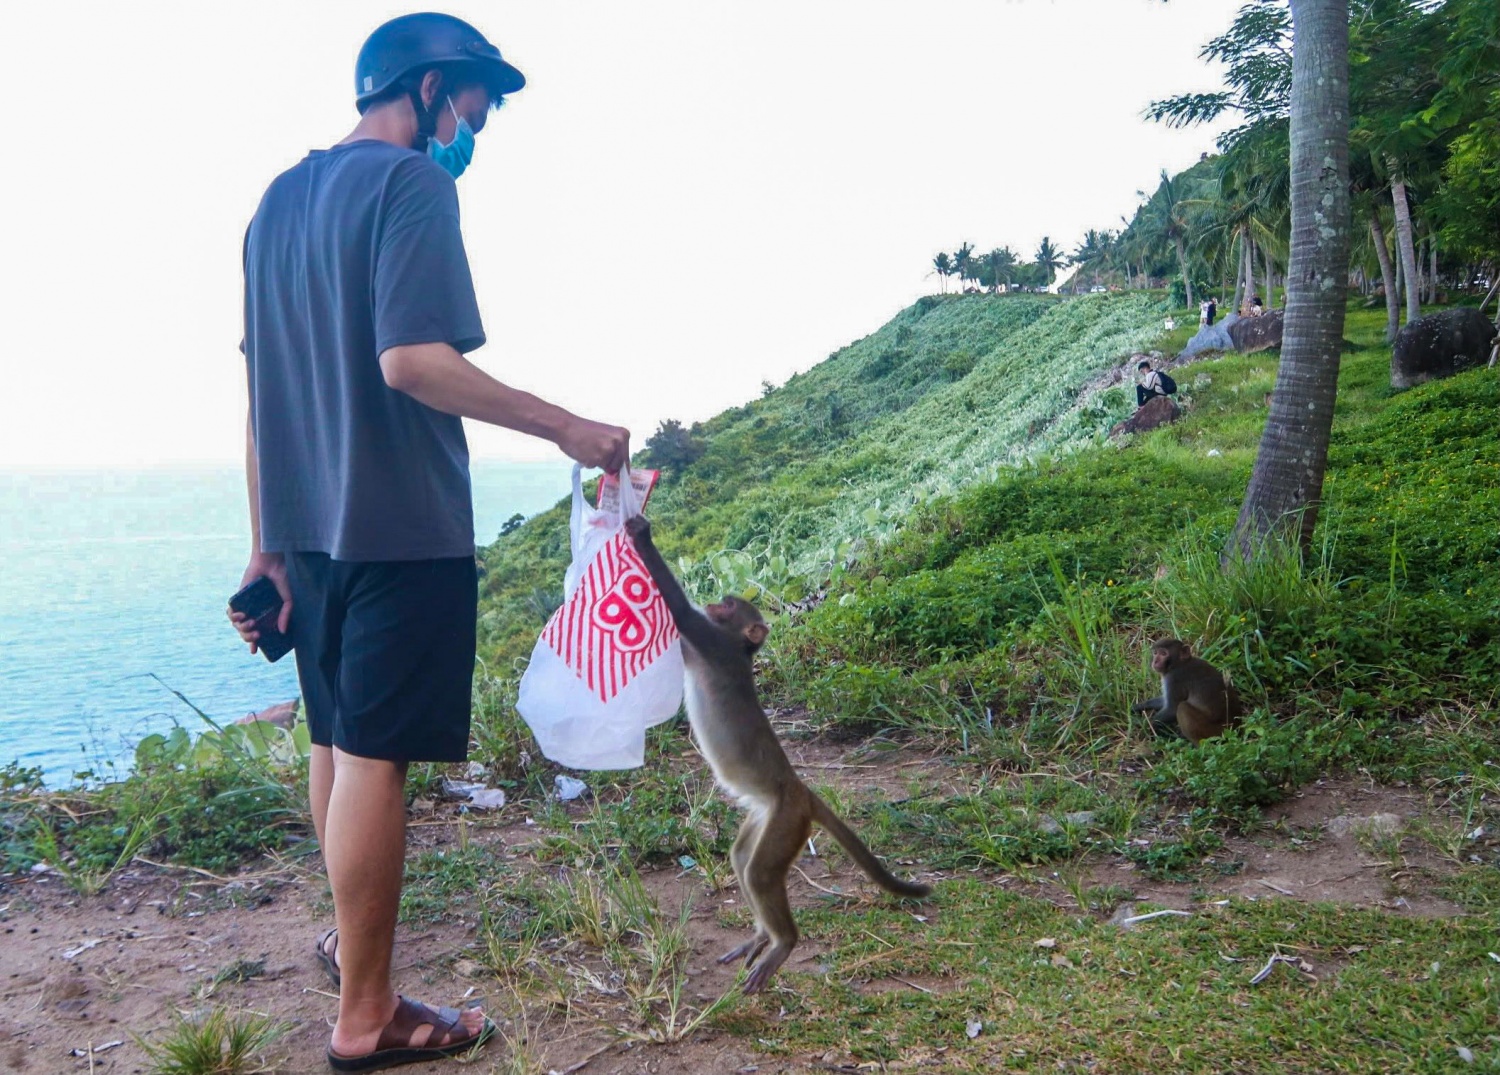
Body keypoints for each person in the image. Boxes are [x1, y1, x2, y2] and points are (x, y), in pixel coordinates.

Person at [228, 13, 629, 1071]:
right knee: (375, 759)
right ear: (431, 85)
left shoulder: (275, 203)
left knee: (334, 742)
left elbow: (261, 385)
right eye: (477, 102)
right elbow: (412, 360)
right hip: (399, 521)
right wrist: (568, 426)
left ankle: (349, 950)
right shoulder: (411, 185)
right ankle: (369, 1016)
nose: (480, 125)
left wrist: (267, 543)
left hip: (309, 531)